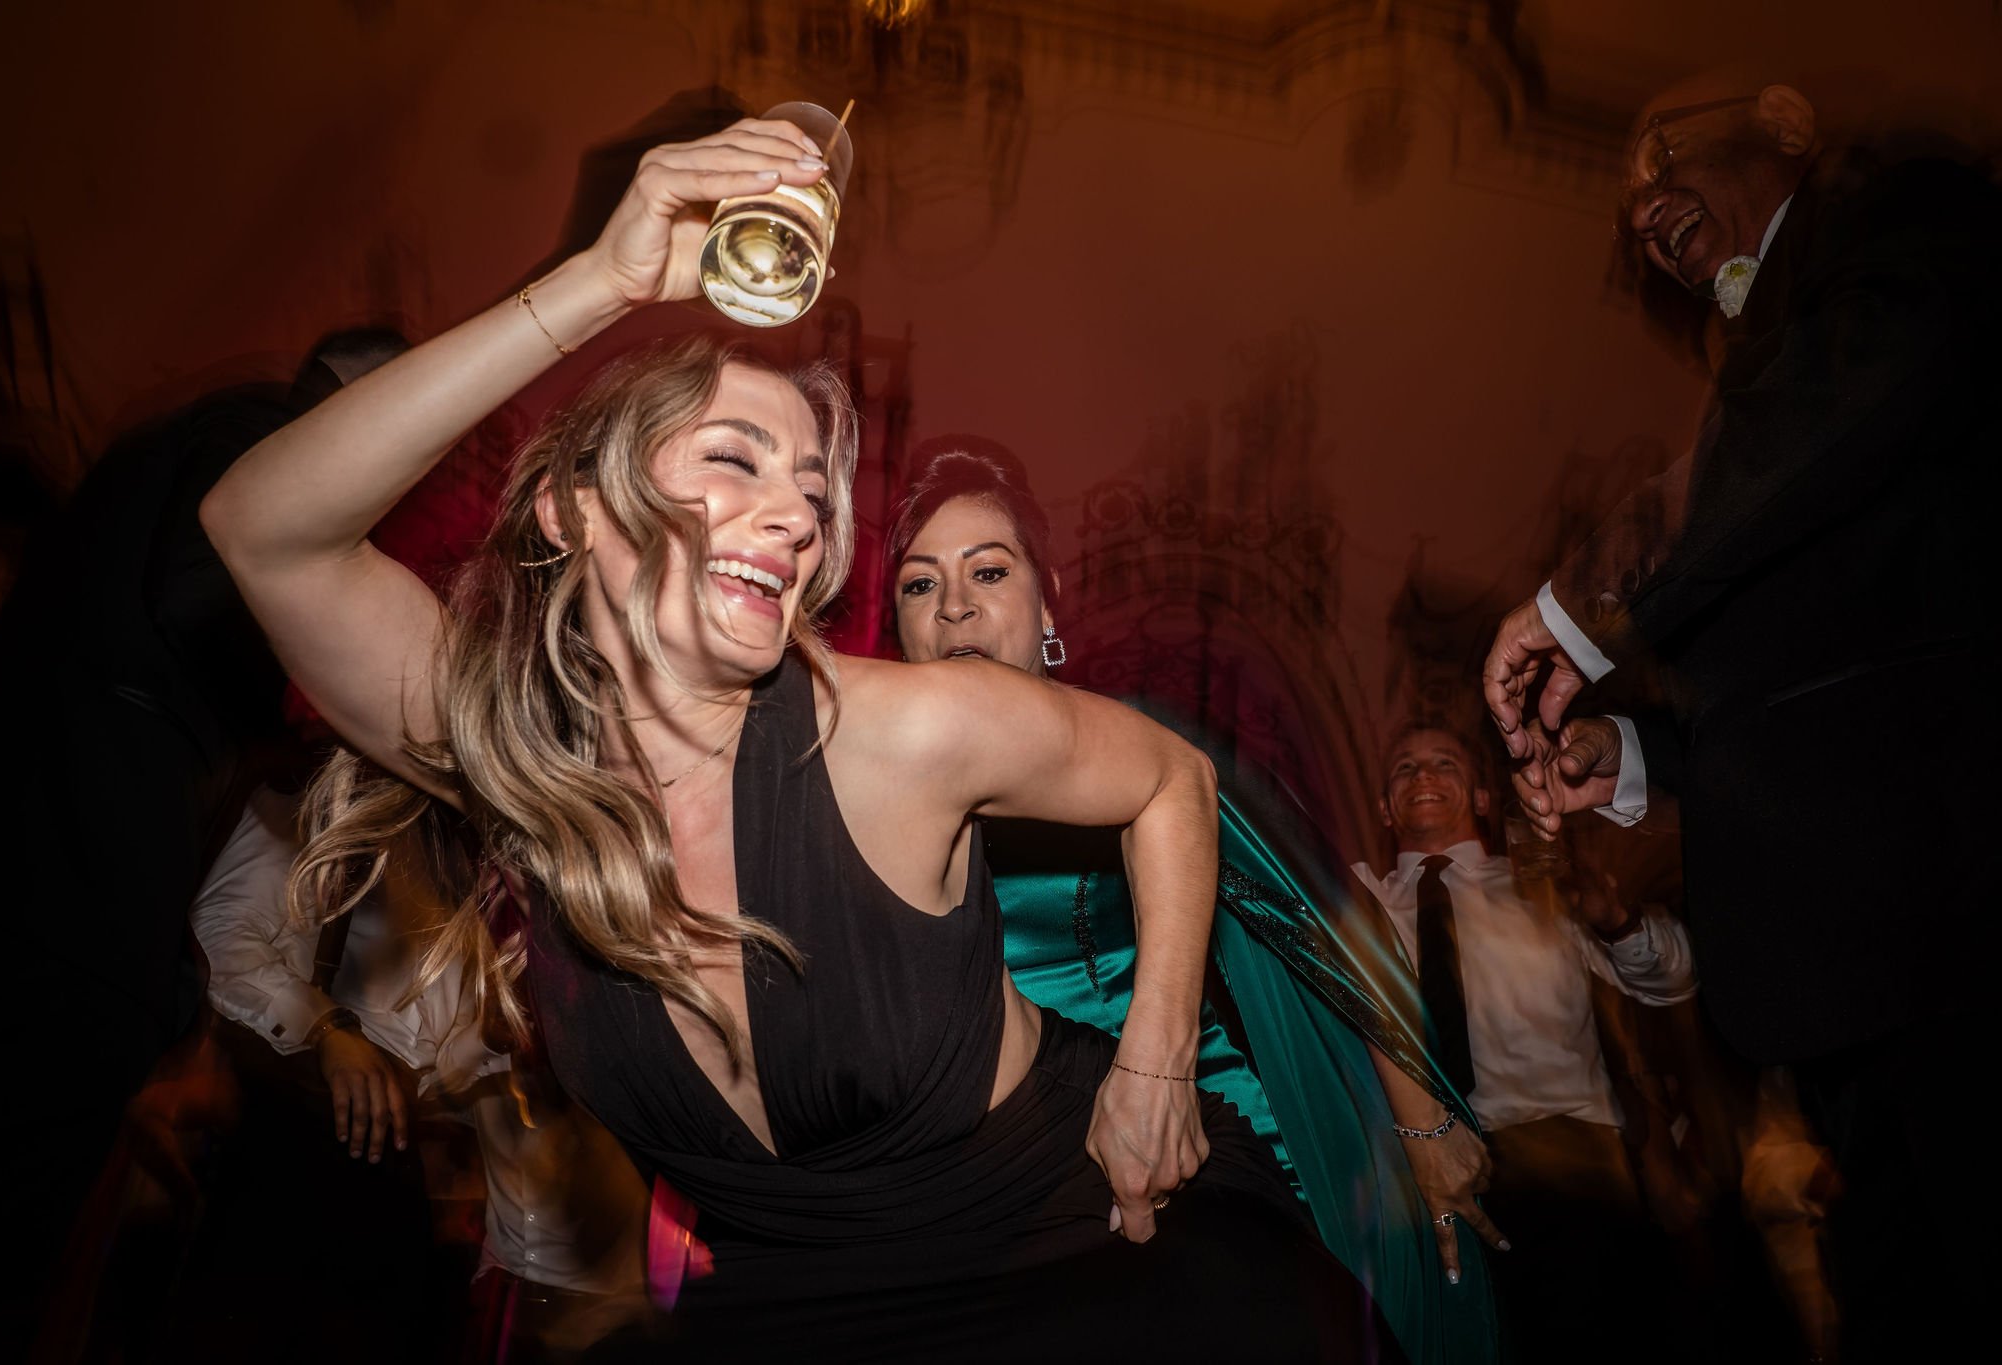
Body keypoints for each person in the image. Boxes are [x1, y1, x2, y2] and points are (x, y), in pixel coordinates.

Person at [200, 115, 1397, 1362]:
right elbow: (260, 526)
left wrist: (1152, 1067)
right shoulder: (509, 762)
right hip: (790, 1307)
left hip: (1080, 1243)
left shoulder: (898, 730)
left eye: (812, 492)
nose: (794, 516)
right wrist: (600, 281)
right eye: (736, 458)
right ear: (568, 509)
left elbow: (1171, 778)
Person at [1480, 79, 2000, 1360]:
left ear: (1781, 119)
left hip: (1957, 917)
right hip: (1855, 984)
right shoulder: (1757, 388)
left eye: (1662, 154)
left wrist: (1582, 596)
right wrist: (1637, 753)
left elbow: (1844, 401)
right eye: (1624, 197)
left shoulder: (1898, 206)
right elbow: (1822, 674)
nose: (1641, 199)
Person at [886, 442, 1502, 1363]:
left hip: (1206, 1142)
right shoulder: (873, 792)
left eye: (988, 570)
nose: (956, 606)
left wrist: (1423, 1121)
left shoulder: (1145, 745)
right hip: (995, 1177)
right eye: (919, 585)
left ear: (1047, 598)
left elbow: (1327, 917)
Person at [0, 325, 407, 1354]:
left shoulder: (183, 444)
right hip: (58, 880)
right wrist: (326, 701)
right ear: (356, 400)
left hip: (49, 862)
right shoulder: (259, 434)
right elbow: (201, 592)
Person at [188, 784, 649, 1362]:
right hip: (297, 1117)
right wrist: (328, 1029)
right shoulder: (314, 803)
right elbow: (220, 936)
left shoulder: (469, 860)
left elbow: (467, 1064)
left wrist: (529, 1259)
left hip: (391, 1153)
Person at [1353, 721, 1696, 1362]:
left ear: (1483, 799)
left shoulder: (1544, 887)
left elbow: (1672, 981)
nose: (1423, 776)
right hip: (1416, 1181)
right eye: (1404, 768)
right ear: (1383, 807)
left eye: (1444, 763)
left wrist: (1615, 918)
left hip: (1567, 1166)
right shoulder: (1356, 902)